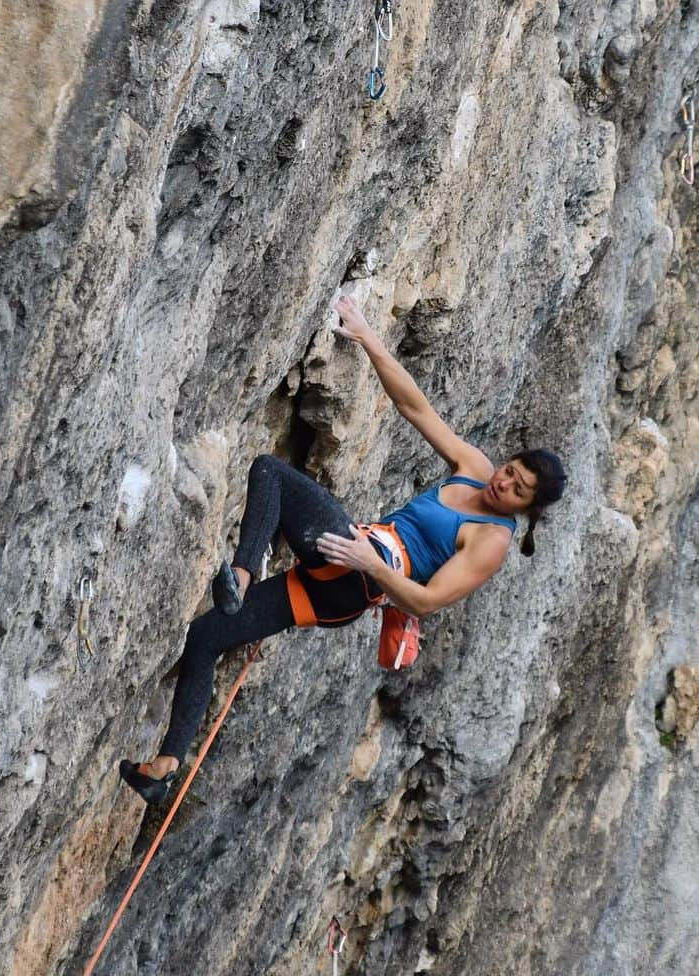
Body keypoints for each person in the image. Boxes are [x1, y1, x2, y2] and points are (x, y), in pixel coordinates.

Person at [120, 295, 567, 803]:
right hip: (341, 575)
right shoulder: (475, 467)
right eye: (511, 470)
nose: (504, 483)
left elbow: (425, 602)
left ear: (527, 507)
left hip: (359, 570)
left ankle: (241, 577)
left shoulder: (491, 541)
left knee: (271, 472)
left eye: (519, 489)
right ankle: (164, 767)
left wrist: (370, 563)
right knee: (204, 639)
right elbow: (413, 406)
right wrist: (369, 338)